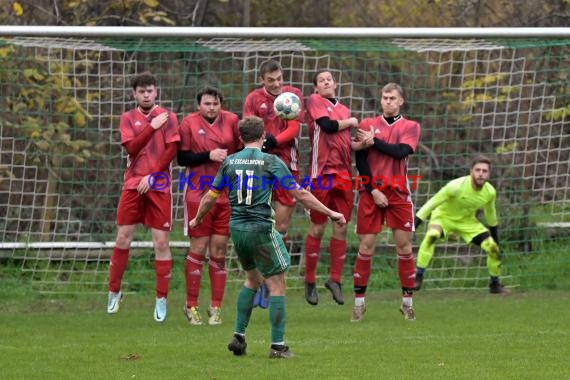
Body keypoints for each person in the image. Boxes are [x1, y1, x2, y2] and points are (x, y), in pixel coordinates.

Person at [189, 116, 346, 359]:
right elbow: (300, 193)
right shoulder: (270, 161)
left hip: (237, 229)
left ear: (240, 138)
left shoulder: (229, 162)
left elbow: (210, 196)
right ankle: (278, 346)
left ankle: (239, 337)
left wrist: (197, 219)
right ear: (263, 136)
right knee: (277, 284)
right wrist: (330, 212)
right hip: (260, 229)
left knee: (252, 279)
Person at [107, 72, 180, 323]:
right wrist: (151, 127)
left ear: (156, 91)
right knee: (123, 237)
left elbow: (172, 150)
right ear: (134, 94)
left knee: (160, 243)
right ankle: (114, 292)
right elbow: (132, 148)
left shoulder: (169, 117)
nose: (147, 94)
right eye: (142, 91)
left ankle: (161, 298)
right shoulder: (128, 118)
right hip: (132, 183)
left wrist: (153, 176)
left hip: (159, 184)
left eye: (150, 90)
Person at [350, 82, 421, 322]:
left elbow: (400, 152)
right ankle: (359, 304)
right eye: (384, 97)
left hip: (399, 193)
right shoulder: (367, 124)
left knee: (404, 247)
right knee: (366, 246)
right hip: (372, 193)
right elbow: (361, 161)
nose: (387, 101)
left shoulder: (411, 126)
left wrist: (374, 142)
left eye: (392, 98)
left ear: (401, 101)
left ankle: (407, 303)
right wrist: (372, 190)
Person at [177, 87, 241, 326]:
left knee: (220, 250)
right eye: (207, 103)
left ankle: (216, 307)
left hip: (226, 195)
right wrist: (209, 155)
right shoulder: (188, 124)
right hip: (197, 194)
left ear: (220, 104)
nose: (211, 107)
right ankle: (190, 305)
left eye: (215, 103)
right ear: (199, 105)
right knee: (199, 248)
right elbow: (182, 158)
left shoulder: (233, 121)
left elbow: (242, 150)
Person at [243, 59, 305, 306]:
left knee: (280, 227)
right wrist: (260, 145)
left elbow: (294, 128)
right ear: (262, 80)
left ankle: (273, 280)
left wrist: (273, 141)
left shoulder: (293, 95)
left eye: (279, 78)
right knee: (259, 224)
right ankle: (261, 280)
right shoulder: (253, 99)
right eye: (271, 80)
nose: (277, 84)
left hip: (286, 164)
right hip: (259, 164)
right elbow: (248, 129)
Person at [414, 155, 509, 295]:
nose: (481, 174)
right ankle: (418, 277)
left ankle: (494, 285)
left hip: (467, 222)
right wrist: (414, 226)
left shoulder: (490, 192)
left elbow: (491, 214)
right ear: (471, 171)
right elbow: (432, 203)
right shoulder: (455, 186)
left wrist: (495, 238)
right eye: (477, 170)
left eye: (484, 171)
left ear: (489, 174)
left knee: (494, 250)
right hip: (443, 217)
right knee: (431, 237)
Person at [303, 69, 359, 306]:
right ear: (316, 87)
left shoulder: (343, 108)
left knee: (342, 226)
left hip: (344, 175)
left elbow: (344, 143)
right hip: (321, 174)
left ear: (335, 83)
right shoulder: (315, 101)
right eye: (321, 80)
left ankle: (334, 279)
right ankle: (310, 280)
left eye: (329, 79)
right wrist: (352, 122)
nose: (326, 82)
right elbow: (327, 126)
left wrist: (361, 143)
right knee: (317, 228)